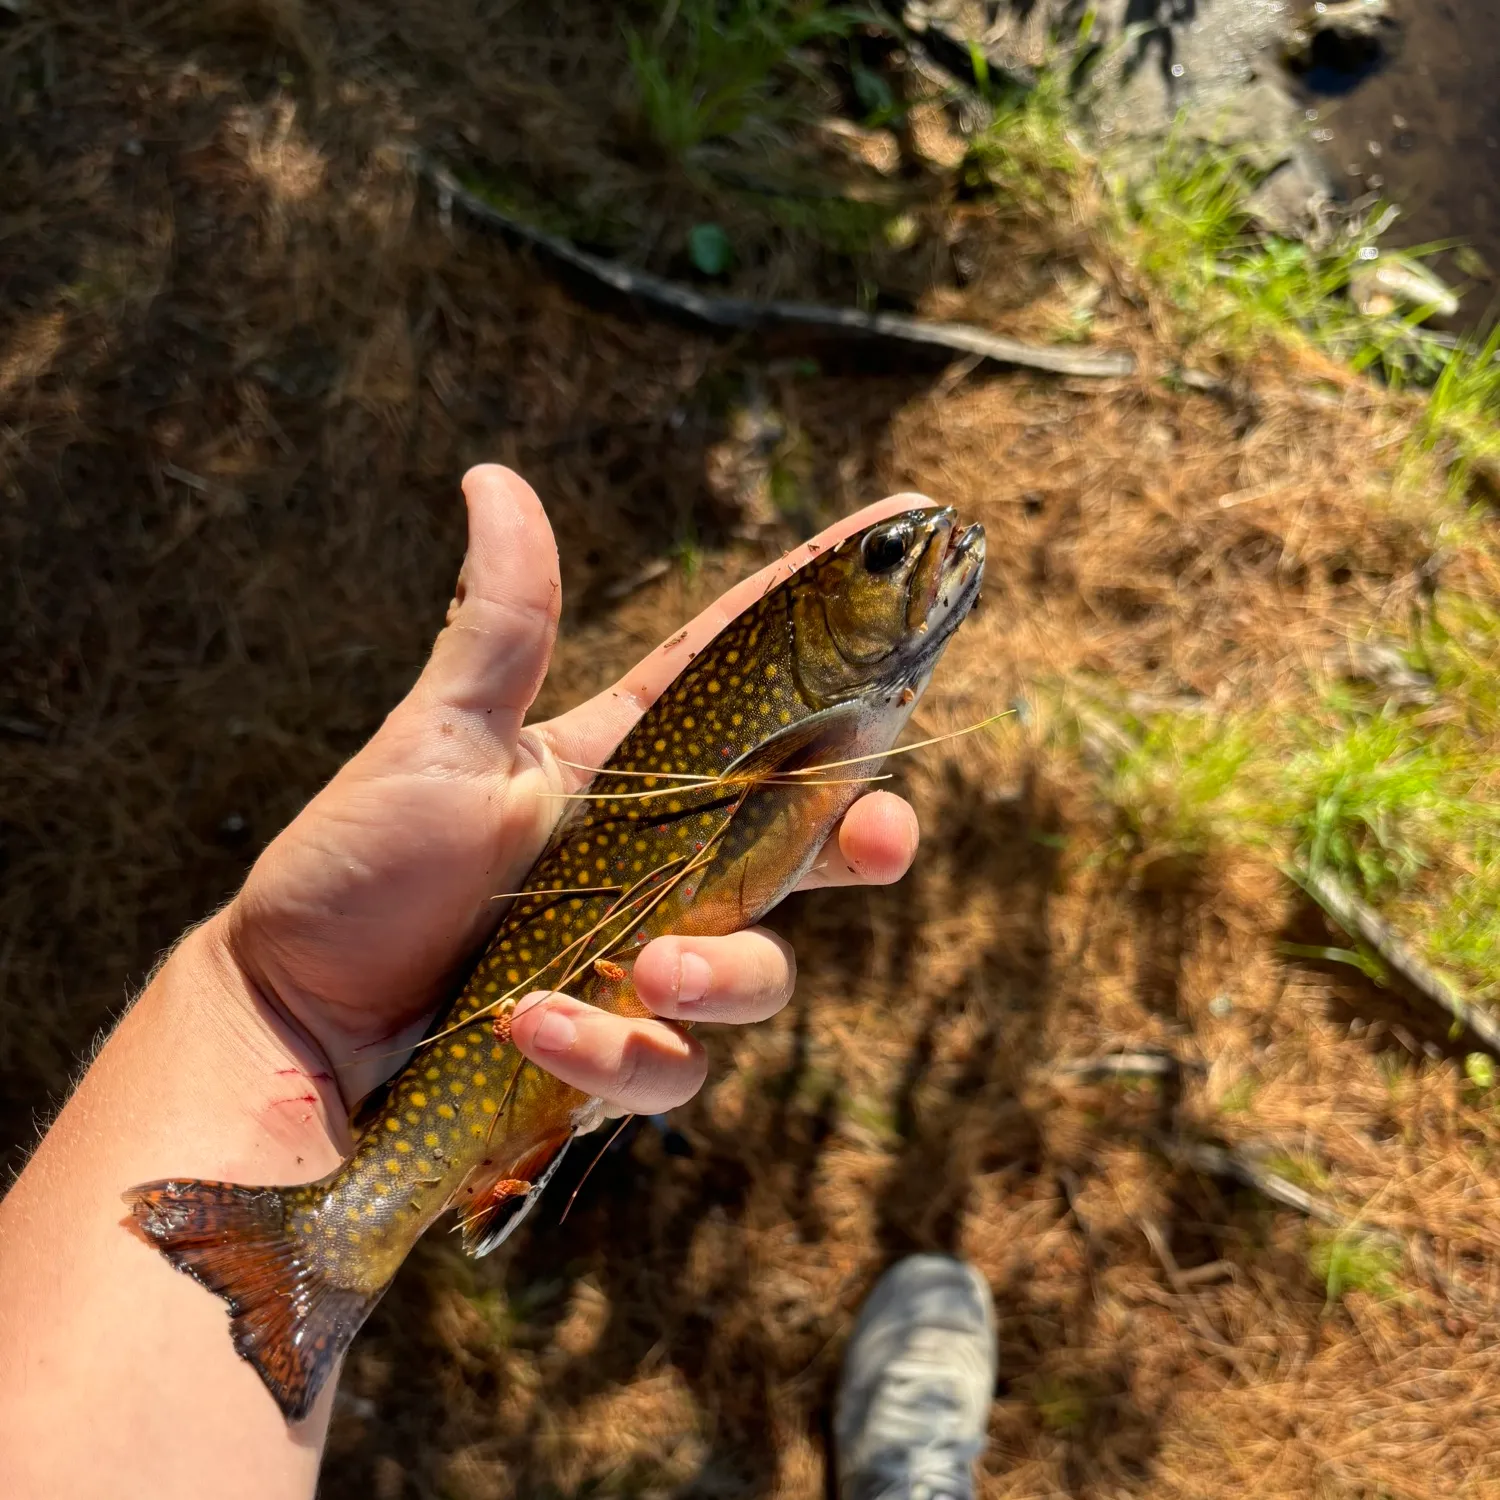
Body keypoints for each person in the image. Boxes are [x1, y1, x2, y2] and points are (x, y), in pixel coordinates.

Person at [0, 467, 994, 1500]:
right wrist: (279, 1007)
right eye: (885, 561)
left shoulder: (822, 711)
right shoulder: (819, 716)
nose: (917, 555)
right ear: (803, 635)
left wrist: (271, 1010)